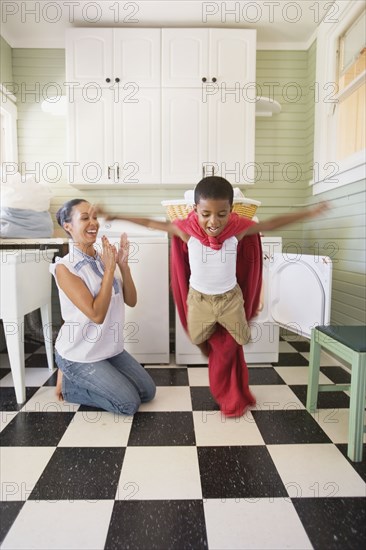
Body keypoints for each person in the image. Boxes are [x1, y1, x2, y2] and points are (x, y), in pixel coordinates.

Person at [94, 177, 329, 416]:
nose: (213, 222)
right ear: (195, 210)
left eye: (221, 214)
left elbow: (272, 224)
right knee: (197, 337)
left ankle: (231, 383)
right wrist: (115, 215)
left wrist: (308, 213)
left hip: (230, 300)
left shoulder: (236, 232)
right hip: (200, 300)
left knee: (239, 340)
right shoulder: (187, 232)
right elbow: (149, 222)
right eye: (206, 214)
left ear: (231, 211)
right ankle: (211, 349)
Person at [51, 198, 156, 415]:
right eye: (84, 218)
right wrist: (109, 271)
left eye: (94, 217)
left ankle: (100, 377)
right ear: (68, 226)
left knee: (147, 391)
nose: (93, 223)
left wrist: (123, 267)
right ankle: (70, 384)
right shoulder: (65, 268)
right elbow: (97, 314)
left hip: (106, 349)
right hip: (79, 352)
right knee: (128, 404)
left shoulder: (102, 258)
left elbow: (131, 300)